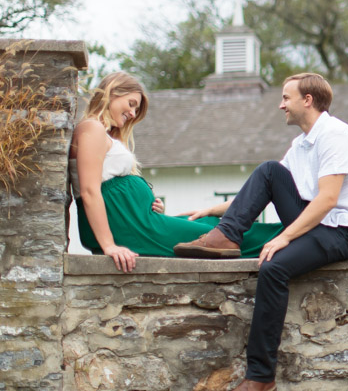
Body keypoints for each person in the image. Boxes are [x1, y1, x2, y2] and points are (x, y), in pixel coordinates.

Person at [172, 73, 348, 391]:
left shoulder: (335, 135)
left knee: (273, 267)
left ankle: (260, 376)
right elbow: (265, 188)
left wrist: (284, 238)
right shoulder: (301, 144)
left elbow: (327, 200)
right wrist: (212, 210)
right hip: (317, 222)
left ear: (307, 100)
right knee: (269, 170)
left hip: (346, 231)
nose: (281, 104)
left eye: (286, 98)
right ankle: (225, 235)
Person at [69, 72, 283, 272]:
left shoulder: (104, 134)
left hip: (137, 223)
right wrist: (109, 246)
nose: (133, 113)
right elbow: (89, 191)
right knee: (219, 237)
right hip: (129, 227)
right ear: (113, 93)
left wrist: (146, 204)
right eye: (131, 104)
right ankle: (291, 237)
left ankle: (289, 234)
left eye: (136, 109)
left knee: (209, 225)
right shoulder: (92, 128)